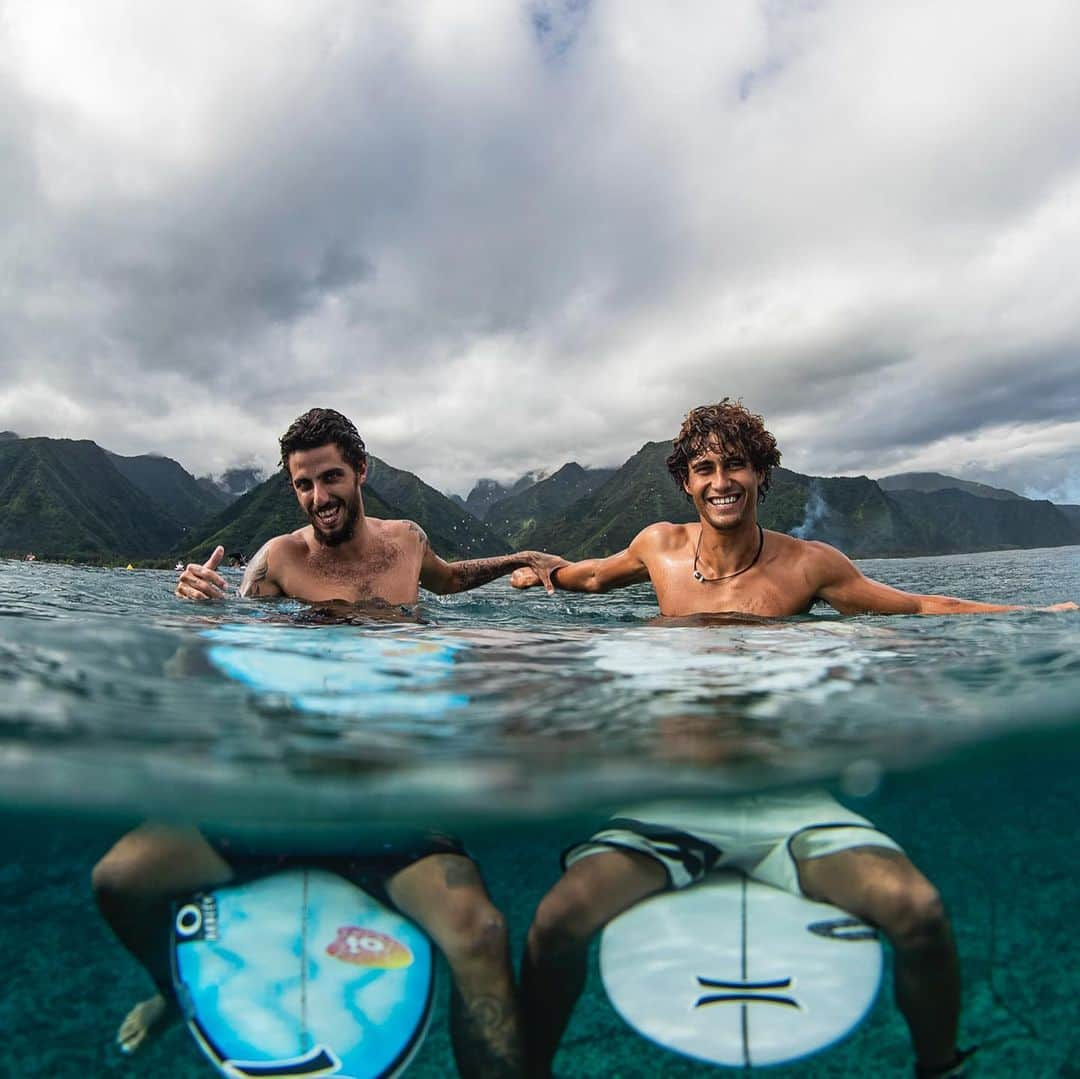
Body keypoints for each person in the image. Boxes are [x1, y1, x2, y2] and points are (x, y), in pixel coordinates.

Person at [510, 399, 1076, 1079]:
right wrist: (540, 573)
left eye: (737, 464)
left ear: (763, 473)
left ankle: (939, 1065)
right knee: (554, 923)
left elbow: (922, 606)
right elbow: (590, 575)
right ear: (687, 482)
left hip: (784, 799)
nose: (722, 480)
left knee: (918, 912)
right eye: (705, 468)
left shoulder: (809, 566)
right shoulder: (657, 547)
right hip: (677, 796)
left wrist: (1042, 614)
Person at [94, 407, 564, 1079]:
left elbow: (451, 578)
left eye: (331, 478)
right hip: (286, 795)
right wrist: (196, 620)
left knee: (481, 932)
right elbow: (199, 676)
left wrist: (522, 556)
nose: (318, 497)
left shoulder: (406, 541)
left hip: (388, 798)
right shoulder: (276, 563)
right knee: (118, 880)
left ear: (362, 470)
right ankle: (172, 993)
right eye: (303, 485)